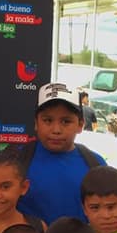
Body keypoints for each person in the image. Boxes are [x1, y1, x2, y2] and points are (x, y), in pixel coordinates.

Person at [18, 83, 106, 225]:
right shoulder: (16, 160)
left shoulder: (96, 165)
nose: (56, 130)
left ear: (80, 125)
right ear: (36, 123)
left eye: (66, 121)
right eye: (48, 120)